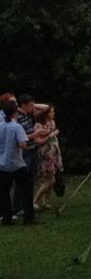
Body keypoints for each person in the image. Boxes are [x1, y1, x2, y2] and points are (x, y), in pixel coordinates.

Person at [0, 98, 30, 225]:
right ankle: (29, 216)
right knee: (26, 189)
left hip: (2, 163)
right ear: (14, 112)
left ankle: (6, 217)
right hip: (16, 163)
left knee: (4, 192)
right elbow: (23, 144)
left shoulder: (1, 125)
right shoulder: (17, 127)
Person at [14, 95, 39, 224]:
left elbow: (45, 107)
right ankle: (18, 207)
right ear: (23, 105)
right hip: (25, 151)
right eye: (30, 105)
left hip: (32, 150)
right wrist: (35, 135)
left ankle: (26, 207)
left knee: (30, 180)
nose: (32, 108)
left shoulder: (27, 115)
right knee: (23, 181)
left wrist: (33, 105)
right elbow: (20, 138)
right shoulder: (17, 118)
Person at [33, 105, 62, 211]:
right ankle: (35, 200)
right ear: (45, 114)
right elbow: (38, 142)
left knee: (52, 179)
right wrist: (50, 136)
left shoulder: (52, 123)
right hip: (45, 155)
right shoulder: (38, 126)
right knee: (48, 180)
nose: (53, 114)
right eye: (51, 112)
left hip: (53, 153)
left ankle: (45, 201)